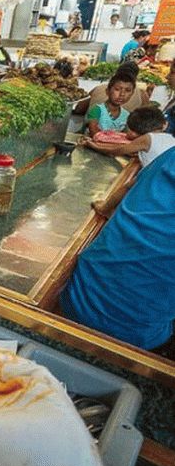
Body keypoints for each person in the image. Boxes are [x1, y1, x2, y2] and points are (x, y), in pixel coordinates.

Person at [60, 146, 175, 354]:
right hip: (138, 335)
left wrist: (104, 208)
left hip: (79, 295)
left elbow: (129, 187)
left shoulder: (170, 156)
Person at [84, 107, 175, 167]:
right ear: (165, 125)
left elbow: (116, 151)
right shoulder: (170, 137)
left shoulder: (148, 138)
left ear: (134, 132)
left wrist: (93, 146)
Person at [73, 61, 150, 115]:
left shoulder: (99, 88)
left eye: (127, 90)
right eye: (117, 89)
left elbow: (79, 109)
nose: (122, 94)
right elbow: (146, 116)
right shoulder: (142, 94)